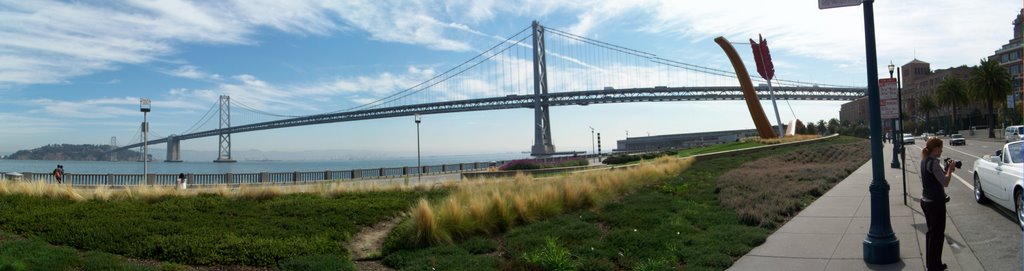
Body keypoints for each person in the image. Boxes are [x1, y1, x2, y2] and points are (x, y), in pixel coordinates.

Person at [920, 138, 954, 270]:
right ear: (935, 149)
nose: (942, 150)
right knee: (938, 235)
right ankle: (935, 266)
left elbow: (937, 177)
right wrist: (950, 169)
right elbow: (945, 182)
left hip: (926, 201)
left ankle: (932, 264)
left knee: (931, 234)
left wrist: (945, 169)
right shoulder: (933, 163)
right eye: (941, 147)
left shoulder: (924, 161)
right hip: (935, 203)